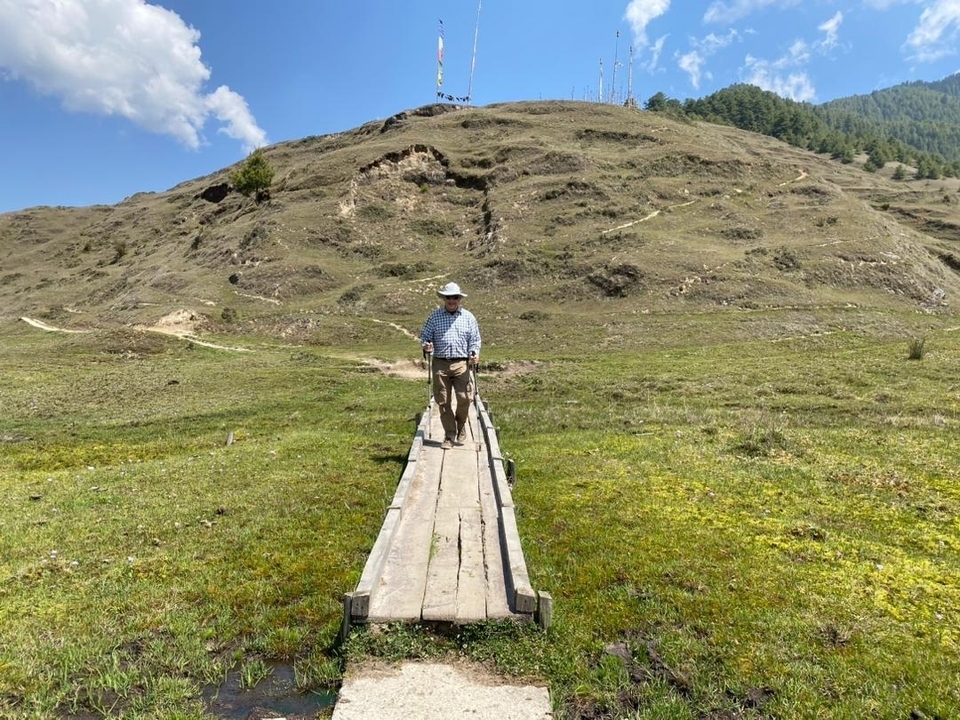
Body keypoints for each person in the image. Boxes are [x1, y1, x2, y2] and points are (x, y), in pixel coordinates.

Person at [420, 282, 481, 449]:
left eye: (455, 297)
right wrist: (427, 345)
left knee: (465, 398)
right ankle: (449, 435)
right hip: (440, 362)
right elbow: (425, 336)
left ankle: (461, 425)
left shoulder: (469, 317)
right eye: (448, 297)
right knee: (443, 400)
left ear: (459, 299)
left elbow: (475, 340)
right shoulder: (434, 317)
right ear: (444, 299)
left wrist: (474, 353)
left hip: (462, 362)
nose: (452, 300)